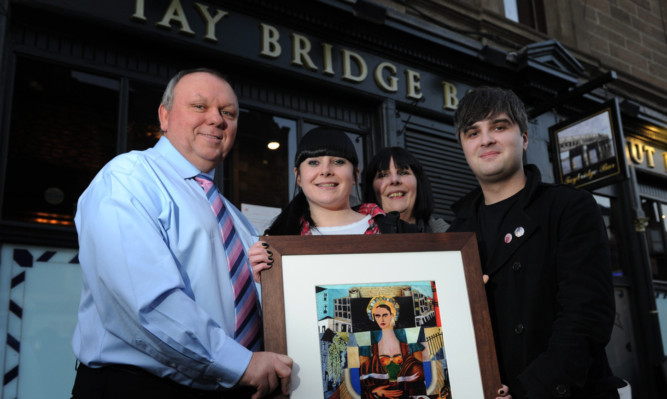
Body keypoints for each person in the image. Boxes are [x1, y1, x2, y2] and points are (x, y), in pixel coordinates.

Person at [71, 68, 292, 399]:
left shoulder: (237, 220)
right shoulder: (128, 178)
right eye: (200, 107)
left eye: (228, 113)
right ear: (164, 115)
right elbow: (144, 301)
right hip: (138, 387)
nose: (217, 119)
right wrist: (241, 364)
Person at [448, 86, 624, 398]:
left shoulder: (569, 207)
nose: (486, 139)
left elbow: (586, 315)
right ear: (463, 147)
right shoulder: (453, 236)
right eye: (473, 132)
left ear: (525, 138)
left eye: (499, 127)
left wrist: (529, 388)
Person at [362, 146, 449, 232]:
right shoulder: (356, 235)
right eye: (383, 175)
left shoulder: (450, 236)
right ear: (371, 188)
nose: (395, 180)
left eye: (403, 173)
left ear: (418, 182)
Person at [358, 296, 430, 398]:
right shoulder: (369, 345)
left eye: (385, 315)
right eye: (377, 316)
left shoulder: (408, 342)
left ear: (392, 315)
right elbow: (360, 378)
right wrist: (375, 390)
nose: (381, 319)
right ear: (373, 317)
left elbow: (422, 372)